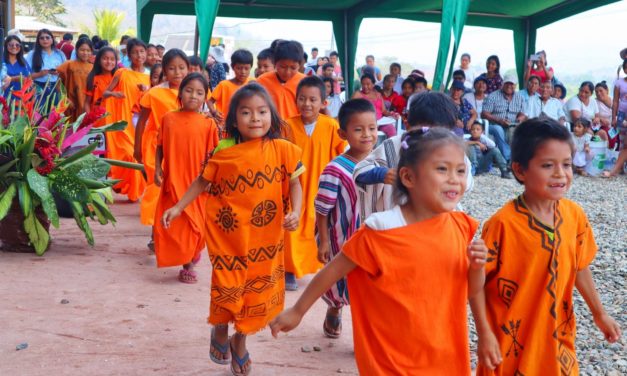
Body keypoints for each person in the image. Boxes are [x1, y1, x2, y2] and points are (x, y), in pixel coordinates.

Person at [271, 127, 488, 374]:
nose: (454, 179)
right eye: (442, 169)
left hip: (441, 352)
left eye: (461, 171)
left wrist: (478, 269)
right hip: (390, 358)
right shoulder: (381, 229)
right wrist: (297, 311)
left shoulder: (461, 226)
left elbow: (471, 289)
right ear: (408, 178)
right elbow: (333, 271)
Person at [162, 83, 304, 376]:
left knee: (255, 295)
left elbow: (294, 183)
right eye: (247, 112)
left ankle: (240, 340)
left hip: (265, 240)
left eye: (262, 112)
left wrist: (297, 211)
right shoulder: (224, 149)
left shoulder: (282, 149)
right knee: (228, 286)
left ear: (272, 116)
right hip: (228, 237)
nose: (255, 118)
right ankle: (221, 325)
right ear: (234, 119)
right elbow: (203, 181)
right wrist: (178, 207)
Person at [471, 118, 621, 375]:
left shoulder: (574, 216)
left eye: (566, 165)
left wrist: (599, 313)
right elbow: (476, 286)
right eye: (548, 165)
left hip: (557, 340)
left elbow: (579, 266)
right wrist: (485, 335)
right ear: (520, 170)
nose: (560, 174)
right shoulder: (503, 224)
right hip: (510, 344)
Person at [354, 92, 474, 221]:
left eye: (440, 133)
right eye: (426, 130)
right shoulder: (393, 146)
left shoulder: (453, 149)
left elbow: (466, 183)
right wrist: (382, 174)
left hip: (438, 221)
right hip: (397, 223)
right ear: (409, 125)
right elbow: (360, 172)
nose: (433, 138)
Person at [313, 98, 377, 338]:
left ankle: (363, 333)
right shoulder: (336, 168)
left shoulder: (379, 163)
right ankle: (334, 307)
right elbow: (323, 208)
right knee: (339, 280)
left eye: (372, 128)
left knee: (368, 285)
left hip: (371, 238)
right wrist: (324, 241)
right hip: (341, 236)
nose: (367, 135)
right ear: (343, 133)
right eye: (358, 129)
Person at [153, 72, 219, 283]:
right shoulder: (168, 118)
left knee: (197, 226)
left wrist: (212, 181)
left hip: (198, 183)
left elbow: (215, 154)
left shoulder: (208, 124)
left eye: (200, 92)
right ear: (180, 93)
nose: (193, 96)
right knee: (178, 224)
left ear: (205, 97)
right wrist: (156, 168)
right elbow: (160, 146)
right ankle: (187, 263)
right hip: (173, 180)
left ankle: (192, 254)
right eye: (189, 90)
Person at [283, 76, 347, 290]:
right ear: (296, 100)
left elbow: (343, 153)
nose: (307, 104)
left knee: (315, 227)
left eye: (312, 100)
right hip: (293, 186)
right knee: (292, 225)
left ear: (323, 103)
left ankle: (313, 267)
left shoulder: (331, 126)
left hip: (321, 187)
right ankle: (289, 270)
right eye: (302, 99)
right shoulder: (287, 126)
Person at [135, 49, 189, 236]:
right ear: (164, 70)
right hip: (155, 146)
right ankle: (154, 231)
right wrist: (137, 148)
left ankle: (174, 229)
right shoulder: (155, 93)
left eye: (182, 67)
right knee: (156, 187)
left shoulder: (192, 92)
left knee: (178, 188)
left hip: (182, 148)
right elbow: (142, 121)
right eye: (172, 68)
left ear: (188, 69)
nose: (178, 72)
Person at [103, 38, 150, 202]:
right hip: (124, 120)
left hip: (144, 122)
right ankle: (128, 188)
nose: (139, 55)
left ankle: (134, 191)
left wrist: (148, 90)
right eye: (135, 52)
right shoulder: (122, 73)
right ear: (129, 55)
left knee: (139, 156)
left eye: (142, 51)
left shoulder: (150, 76)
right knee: (129, 155)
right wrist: (115, 94)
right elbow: (105, 93)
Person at [256, 40, 306, 120]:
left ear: (299, 65)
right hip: (270, 130)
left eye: (293, 68)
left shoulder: (306, 82)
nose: (287, 72)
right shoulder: (262, 81)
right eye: (283, 67)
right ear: (275, 63)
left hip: (297, 130)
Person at [481, 74, 526, 162]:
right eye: (507, 83)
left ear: (515, 85)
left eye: (511, 84)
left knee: (517, 130)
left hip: (512, 124)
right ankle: (508, 158)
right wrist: (499, 120)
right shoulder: (493, 96)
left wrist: (520, 119)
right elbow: (484, 113)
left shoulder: (520, 98)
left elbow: (522, 113)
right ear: (502, 84)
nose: (509, 86)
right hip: (494, 124)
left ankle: (519, 158)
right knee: (498, 129)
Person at [209, 49, 253, 130]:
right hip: (225, 127)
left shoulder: (253, 84)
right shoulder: (224, 85)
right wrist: (214, 112)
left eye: (246, 68)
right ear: (233, 67)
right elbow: (210, 101)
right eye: (239, 68)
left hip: (246, 125)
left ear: (251, 68)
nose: (243, 72)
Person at [26, 29, 67, 111]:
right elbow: (27, 76)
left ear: (52, 39)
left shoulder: (59, 54)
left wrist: (59, 73)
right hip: (38, 87)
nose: (45, 40)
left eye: (47, 37)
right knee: (39, 113)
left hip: (56, 86)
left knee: (54, 114)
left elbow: (65, 72)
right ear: (38, 40)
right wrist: (42, 73)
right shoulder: (32, 54)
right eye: (42, 38)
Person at [56, 38, 94, 122]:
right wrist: (66, 99)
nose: (85, 53)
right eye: (82, 50)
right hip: (71, 103)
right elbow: (58, 84)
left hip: (87, 104)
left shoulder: (93, 67)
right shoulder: (68, 64)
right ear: (76, 50)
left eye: (88, 50)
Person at [352, 74, 399, 138]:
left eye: (368, 84)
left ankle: (391, 148)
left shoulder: (378, 95)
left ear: (373, 84)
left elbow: (384, 111)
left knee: (392, 130)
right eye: (363, 84)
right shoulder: (358, 94)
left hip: (380, 123)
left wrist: (391, 114)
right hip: (365, 124)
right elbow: (350, 109)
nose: (365, 86)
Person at [84, 46, 118, 126]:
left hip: (114, 121)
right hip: (97, 121)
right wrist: (89, 119)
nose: (109, 62)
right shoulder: (93, 79)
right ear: (99, 61)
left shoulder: (119, 79)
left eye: (112, 59)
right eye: (105, 58)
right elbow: (87, 103)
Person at [595, 81, 618, 149]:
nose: (598, 93)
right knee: (610, 132)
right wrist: (601, 118)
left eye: (601, 91)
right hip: (603, 127)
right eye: (596, 92)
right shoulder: (595, 102)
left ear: (607, 90)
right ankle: (609, 151)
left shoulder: (615, 101)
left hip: (616, 126)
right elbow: (593, 115)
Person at [612, 59, 627, 152]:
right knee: (621, 141)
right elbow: (615, 101)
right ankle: (622, 165)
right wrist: (614, 117)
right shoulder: (619, 83)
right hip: (621, 115)